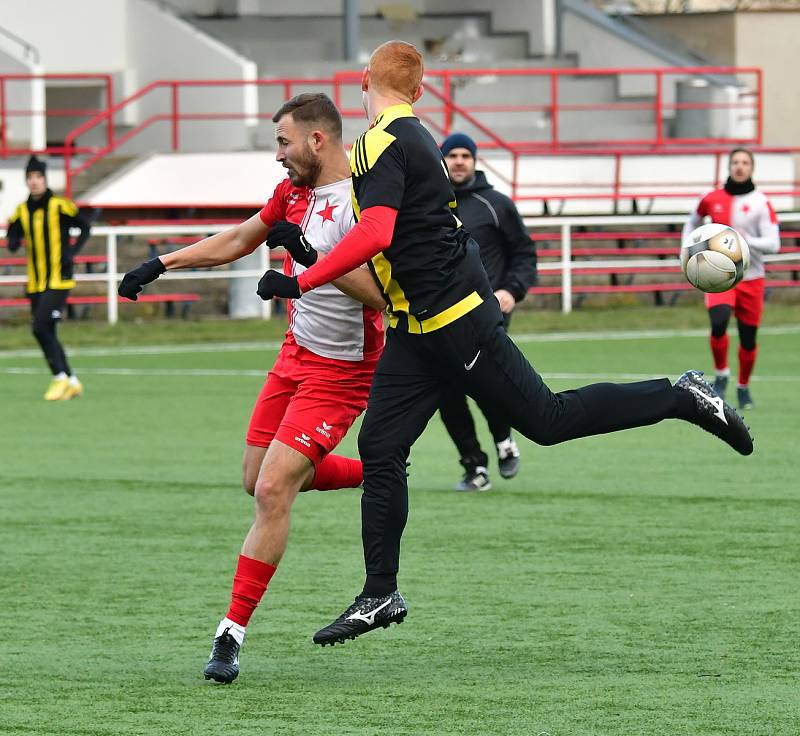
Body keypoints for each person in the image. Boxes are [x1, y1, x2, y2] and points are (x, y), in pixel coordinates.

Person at [254, 41, 754, 647]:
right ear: (417, 90)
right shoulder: (383, 141)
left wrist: (303, 277)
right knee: (382, 446)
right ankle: (379, 592)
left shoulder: (391, 139)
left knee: (547, 420)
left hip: (459, 322)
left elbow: (378, 230)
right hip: (415, 332)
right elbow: (391, 237)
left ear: (364, 80)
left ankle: (680, 396)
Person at [117, 93, 386, 683]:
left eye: (284, 143)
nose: (278, 156)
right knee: (254, 477)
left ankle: (230, 635)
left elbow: (386, 298)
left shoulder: (365, 197)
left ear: (317, 140)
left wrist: (312, 256)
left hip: (342, 372)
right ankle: (377, 469)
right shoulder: (291, 192)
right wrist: (160, 264)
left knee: (270, 490)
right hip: (293, 357)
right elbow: (241, 238)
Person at [438, 132, 537, 490]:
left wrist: (511, 290)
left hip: (486, 313)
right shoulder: (429, 204)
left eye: (466, 155)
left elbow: (524, 254)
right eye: (453, 155)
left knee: (484, 383)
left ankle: (503, 441)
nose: (460, 161)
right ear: (442, 160)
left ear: (475, 160)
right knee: (446, 391)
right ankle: (474, 466)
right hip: (440, 315)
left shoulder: (496, 203)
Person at [682, 148, 780, 410]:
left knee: (748, 338)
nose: (740, 166)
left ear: (752, 167)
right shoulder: (711, 197)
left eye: (745, 162)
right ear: (729, 166)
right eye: (735, 162)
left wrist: (743, 243)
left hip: (753, 277)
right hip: (720, 277)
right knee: (718, 322)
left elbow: (774, 243)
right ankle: (722, 373)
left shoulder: (761, 202)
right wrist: (687, 249)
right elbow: (691, 222)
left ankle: (743, 387)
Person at [6, 156, 91, 400]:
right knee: (47, 331)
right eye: (30, 178)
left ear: (44, 179)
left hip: (58, 278)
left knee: (39, 326)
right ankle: (72, 381)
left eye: (38, 177)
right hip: (35, 281)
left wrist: (71, 253)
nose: (34, 182)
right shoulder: (22, 210)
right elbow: (13, 235)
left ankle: (59, 377)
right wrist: (12, 240)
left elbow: (85, 226)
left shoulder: (59, 205)